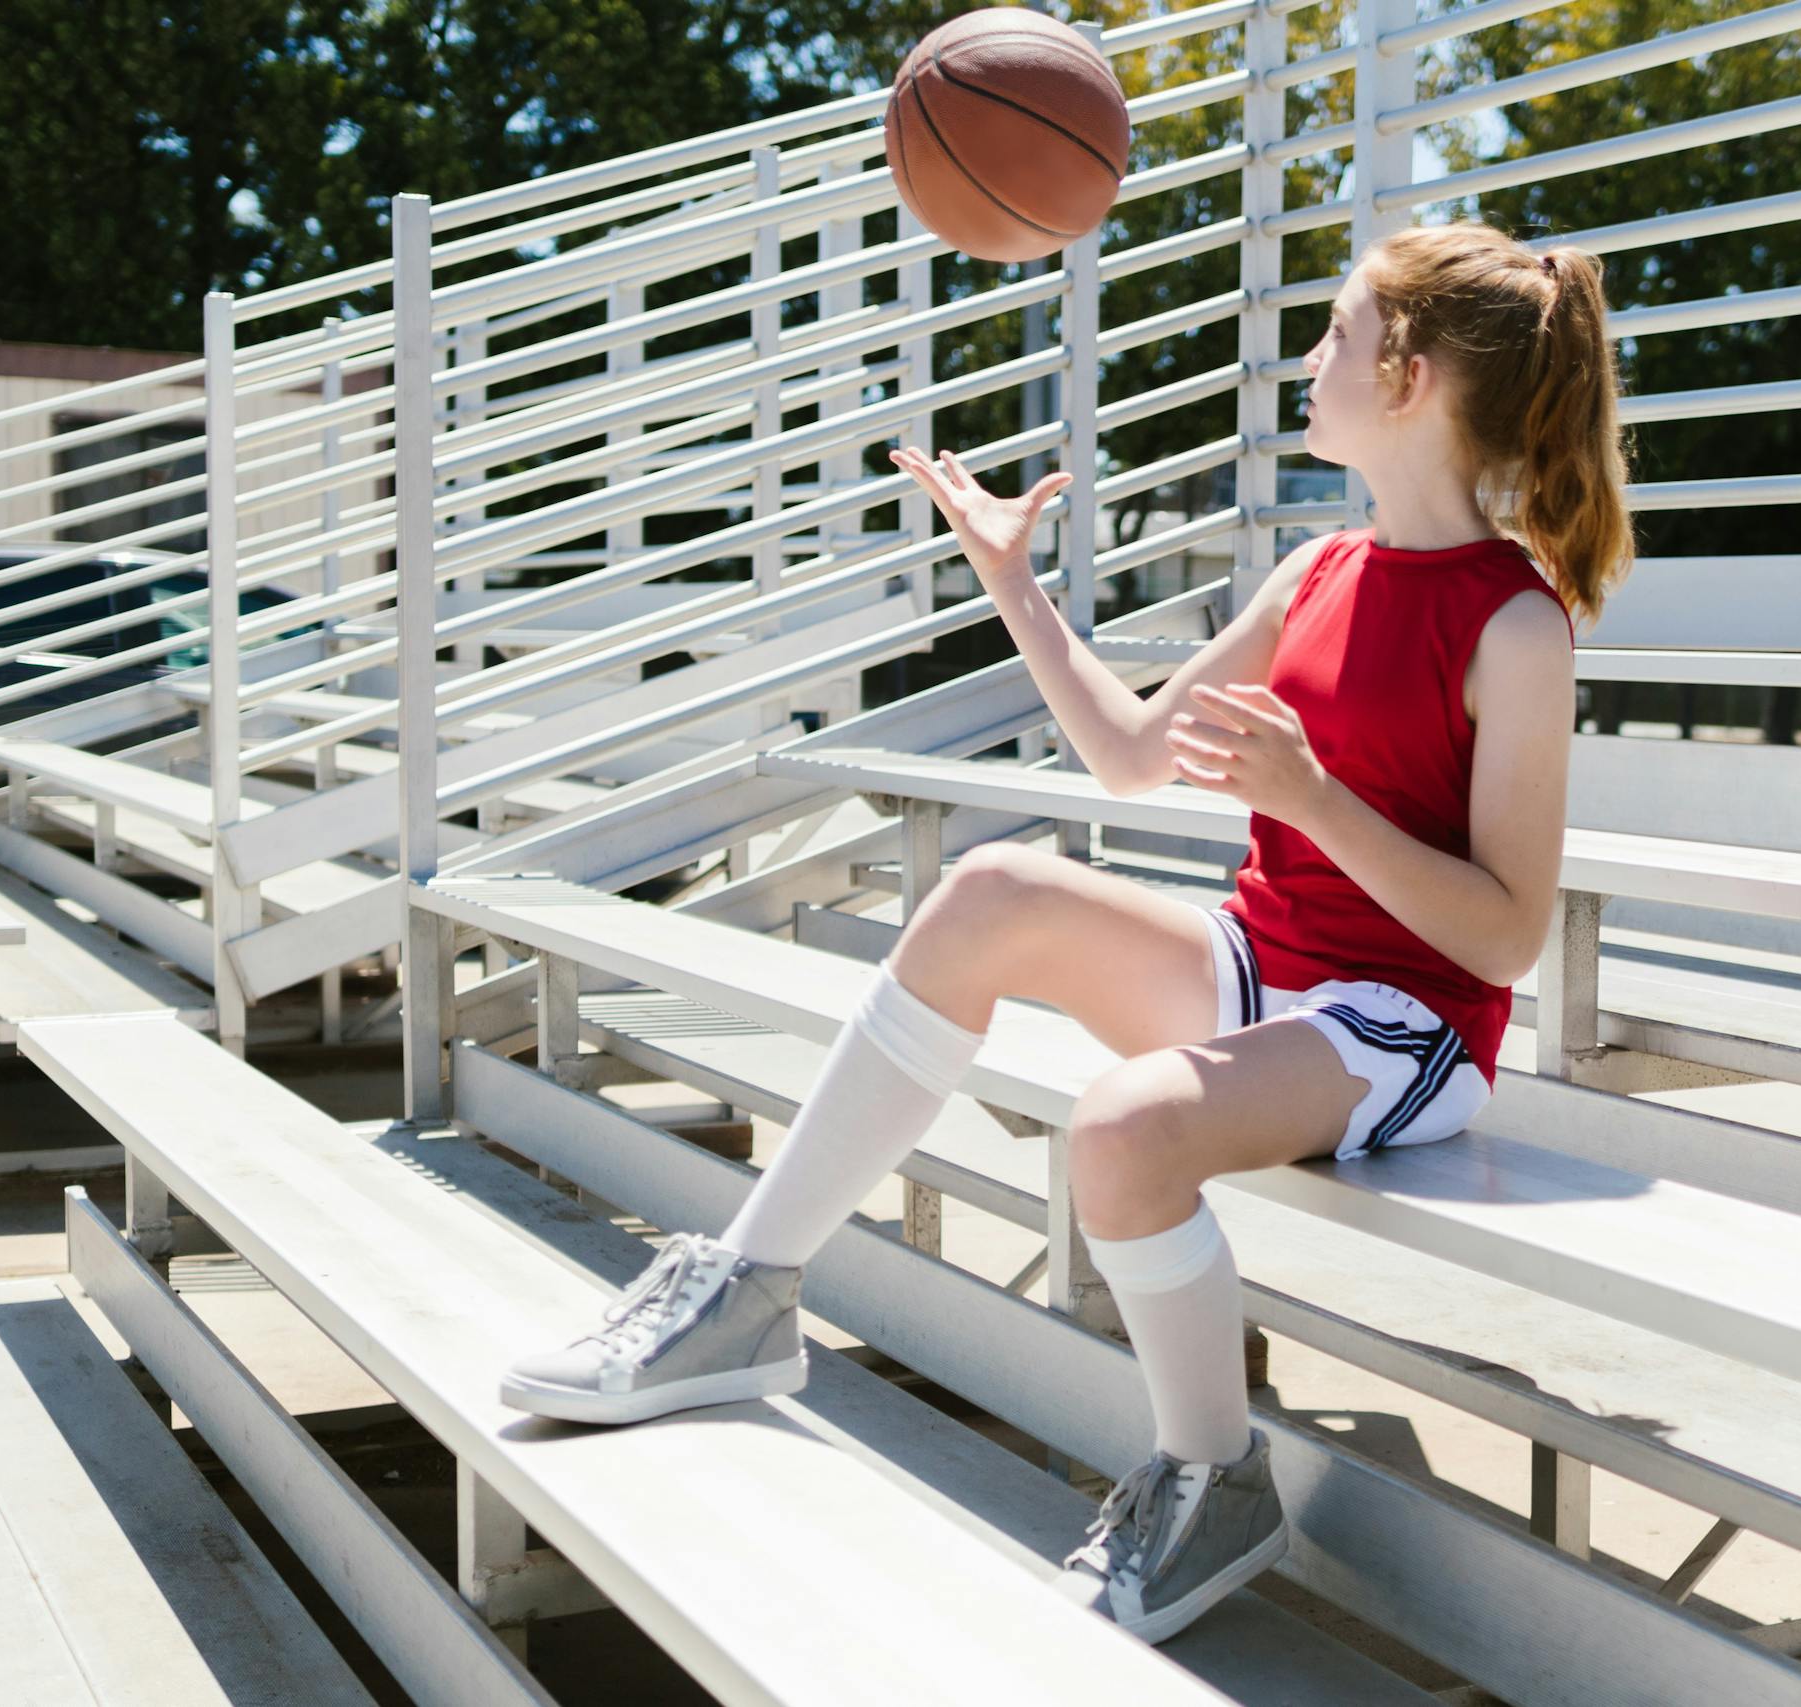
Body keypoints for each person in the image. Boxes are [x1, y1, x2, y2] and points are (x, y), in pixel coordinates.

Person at [496, 218, 1635, 1645]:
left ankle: (1214, 1476)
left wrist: (1317, 801)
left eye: (1338, 333)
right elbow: (1131, 756)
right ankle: (750, 1293)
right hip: (1262, 973)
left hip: (1400, 1029)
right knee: (985, 894)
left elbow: (1504, 942)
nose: (1311, 356)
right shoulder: (1319, 573)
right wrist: (1013, 583)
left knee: (1120, 1131)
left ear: (1407, 374)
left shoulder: (1519, 629)